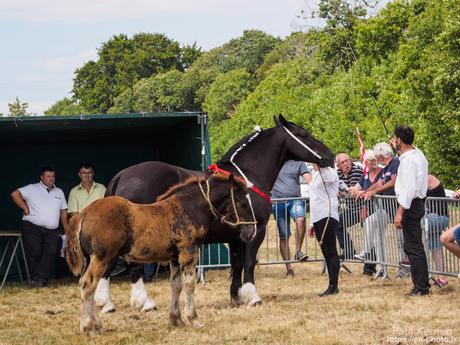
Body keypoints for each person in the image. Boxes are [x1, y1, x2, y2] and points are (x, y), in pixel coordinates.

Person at [10, 166, 69, 287]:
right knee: (35, 252)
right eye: (48, 176)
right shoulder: (32, 188)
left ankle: (38, 279)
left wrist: (67, 229)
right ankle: (38, 280)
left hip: (52, 230)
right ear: (42, 177)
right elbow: (15, 194)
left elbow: (63, 211)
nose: (51, 179)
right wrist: (25, 208)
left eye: (53, 176)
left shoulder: (59, 192)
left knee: (52, 252)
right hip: (32, 226)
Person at [392, 125, 430, 296]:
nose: (393, 141)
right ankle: (421, 284)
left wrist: (400, 212)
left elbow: (408, 189)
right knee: (414, 246)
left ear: (400, 140)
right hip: (417, 203)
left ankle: (421, 287)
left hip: (410, 205)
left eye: (395, 138)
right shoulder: (418, 155)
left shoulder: (408, 161)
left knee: (413, 247)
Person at [271, 160, 312, 277]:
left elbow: (310, 180)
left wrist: (317, 188)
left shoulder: (298, 162)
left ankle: (298, 251)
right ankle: (289, 268)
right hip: (278, 202)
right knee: (284, 236)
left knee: (301, 219)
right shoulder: (274, 160)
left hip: (295, 199)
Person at [349, 149, 386, 276]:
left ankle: (374, 261)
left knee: (379, 239)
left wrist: (363, 192)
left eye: (366, 161)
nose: (364, 163)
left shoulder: (382, 172)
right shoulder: (365, 175)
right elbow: (356, 188)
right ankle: (380, 268)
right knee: (376, 240)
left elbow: (379, 187)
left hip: (383, 209)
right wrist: (353, 190)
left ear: (373, 162)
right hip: (368, 210)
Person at [308, 163, 340, 296]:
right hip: (317, 216)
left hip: (327, 213)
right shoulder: (315, 175)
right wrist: (311, 223)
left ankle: (333, 286)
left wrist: (321, 165)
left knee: (331, 250)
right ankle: (331, 284)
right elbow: (313, 198)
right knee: (325, 251)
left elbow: (329, 178)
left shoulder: (329, 171)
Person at [422, 175, 449, 287]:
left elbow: (415, 194)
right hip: (434, 218)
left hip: (437, 218)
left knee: (418, 238)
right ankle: (441, 278)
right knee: (435, 246)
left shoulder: (427, 178)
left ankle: (423, 275)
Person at [335, 153, 363, 259]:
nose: (346, 163)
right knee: (337, 223)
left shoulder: (357, 170)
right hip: (352, 208)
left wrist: (342, 193)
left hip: (364, 207)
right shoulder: (337, 173)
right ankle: (349, 251)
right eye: (343, 162)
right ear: (338, 166)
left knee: (369, 233)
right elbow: (335, 189)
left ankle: (370, 264)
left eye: (347, 160)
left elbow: (352, 192)